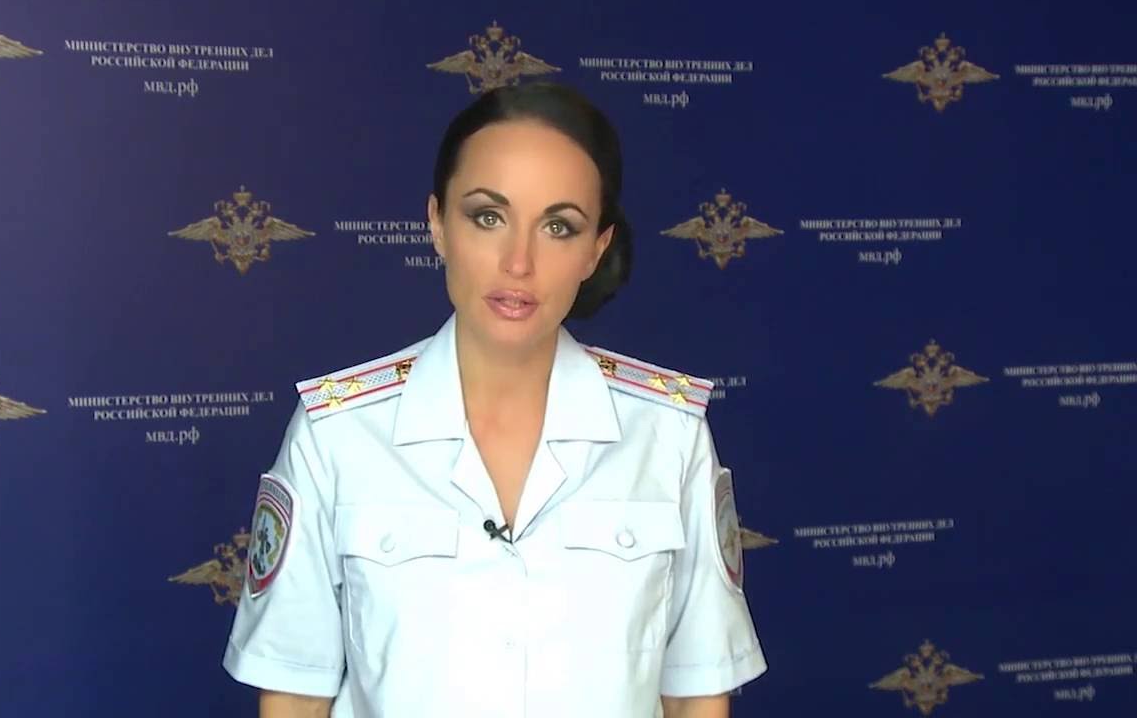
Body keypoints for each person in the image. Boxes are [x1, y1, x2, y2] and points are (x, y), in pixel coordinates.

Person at [222, 81, 767, 717]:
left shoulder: (668, 434)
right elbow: (294, 695)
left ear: (595, 250)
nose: (518, 262)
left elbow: (697, 692)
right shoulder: (337, 434)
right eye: (488, 217)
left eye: (559, 227)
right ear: (437, 224)